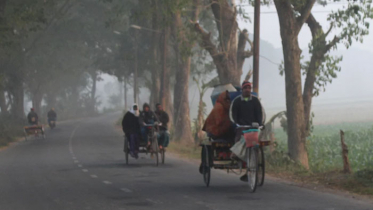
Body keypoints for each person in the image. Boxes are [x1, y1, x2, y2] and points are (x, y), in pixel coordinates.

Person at [229, 80, 265, 182]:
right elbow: (233, 115)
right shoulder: (236, 101)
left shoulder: (255, 101)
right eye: (245, 88)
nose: (248, 90)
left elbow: (260, 114)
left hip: (253, 127)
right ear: (242, 89)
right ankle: (236, 154)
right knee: (241, 138)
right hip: (241, 127)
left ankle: (253, 167)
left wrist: (260, 124)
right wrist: (236, 124)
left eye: (249, 88)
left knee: (255, 145)